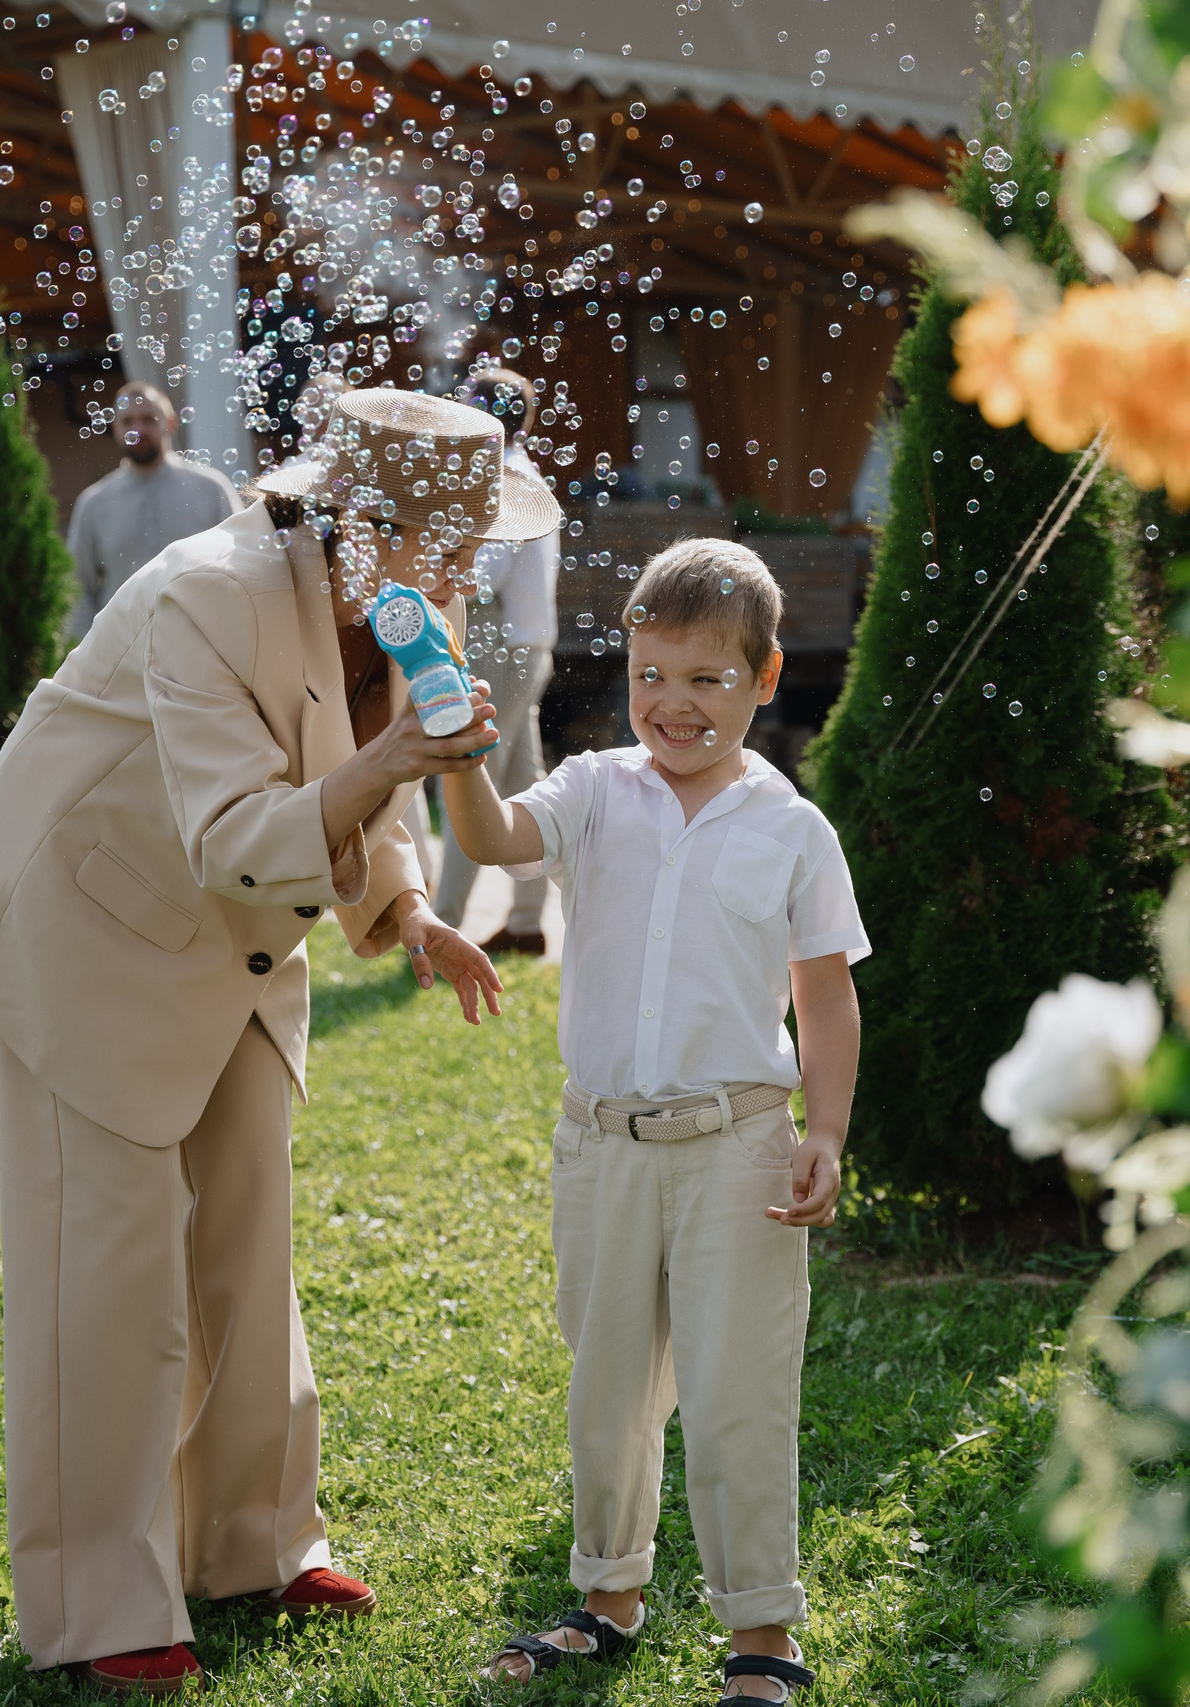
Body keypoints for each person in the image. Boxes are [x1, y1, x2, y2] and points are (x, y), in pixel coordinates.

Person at [0, 387, 548, 1694]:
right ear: (356, 514)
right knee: (106, 1277)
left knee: (248, 1246)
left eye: (471, 543)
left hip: (239, 946)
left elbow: (357, 775)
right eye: (450, 540)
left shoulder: (397, 608)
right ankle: (102, 1595)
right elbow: (235, 828)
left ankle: (253, 1540)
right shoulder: (201, 593)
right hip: (92, 926)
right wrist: (393, 760)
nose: (463, 571)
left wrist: (413, 907)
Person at [444, 539, 867, 1704]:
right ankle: (608, 1598)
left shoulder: (791, 831)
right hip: (602, 1144)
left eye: (707, 681)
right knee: (608, 1385)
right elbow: (489, 842)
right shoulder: (589, 791)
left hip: (739, 1144)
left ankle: (763, 1635)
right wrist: (457, 760)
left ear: (766, 678)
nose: (673, 706)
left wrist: (822, 1130)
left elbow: (824, 996)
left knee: (739, 1391)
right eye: (651, 677)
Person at [435, 365, 559, 955]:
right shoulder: (516, 471)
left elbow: (479, 578)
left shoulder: (505, 478)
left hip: (501, 647)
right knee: (519, 782)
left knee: (468, 777)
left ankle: (442, 924)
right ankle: (530, 924)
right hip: (523, 645)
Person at [63, 382, 243, 637]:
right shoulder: (93, 503)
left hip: (202, 646)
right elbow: (77, 585)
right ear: (115, 429)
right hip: (122, 652)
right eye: (128, 421)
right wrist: (88, 653)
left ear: (170, 422)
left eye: (149, 418)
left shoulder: (212, 489)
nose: (138, 429)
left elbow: (240, 566)